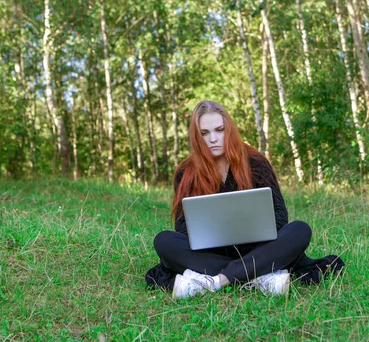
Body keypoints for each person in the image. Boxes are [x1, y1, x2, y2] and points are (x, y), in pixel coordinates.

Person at [145, 101, 344, 298]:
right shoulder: (186, 171)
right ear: (196, 137)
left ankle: (216, 281)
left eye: (219, 130)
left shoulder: (255, 162)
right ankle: (259, 277)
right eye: (204, 133)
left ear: (229, 130)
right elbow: (182, 228)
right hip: (212, 254)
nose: (213, 139)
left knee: (300, 230)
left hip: (260, 249)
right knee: (163, 241)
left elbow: (280, 218)